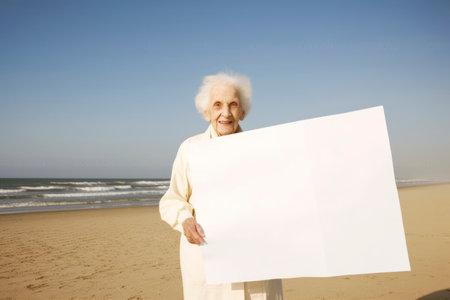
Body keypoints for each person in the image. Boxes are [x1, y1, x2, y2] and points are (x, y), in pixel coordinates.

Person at [159, 72, 284, 300]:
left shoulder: (262, 150)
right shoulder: (189, 149)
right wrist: (185, 220)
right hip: (206, 264)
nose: (225, 113)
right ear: (207, 111)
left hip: (255, 265)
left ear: (243, 112)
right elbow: (171, 199)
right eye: (217, 105)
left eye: (233, 105)